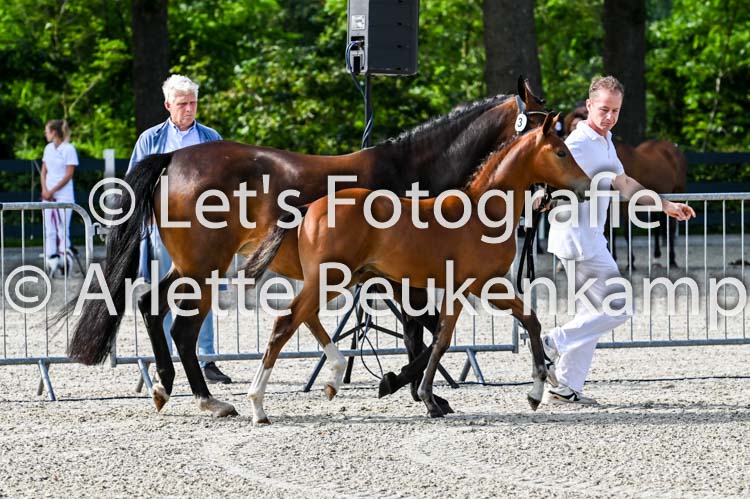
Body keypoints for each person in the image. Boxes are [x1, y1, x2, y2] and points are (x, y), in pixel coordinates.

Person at [542, 76, 695, 404]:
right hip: (579, 239)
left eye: (615, 110)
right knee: (621, 307)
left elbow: (624, 183)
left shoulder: (604, 141)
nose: (610, 116)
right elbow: (549, 173)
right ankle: (551, 343)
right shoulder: (579, 143)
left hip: (588, 237)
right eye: (604, 109)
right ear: (589, 106)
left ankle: (566, 387)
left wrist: (665, 205)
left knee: (591, 314)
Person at [128, 74, 231, 384]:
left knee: (203, 290)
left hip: (204, 230)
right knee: (166, 290)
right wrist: (145, 214)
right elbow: (135, 180)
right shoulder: (151, 139)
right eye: (182, 103)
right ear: (168, 105)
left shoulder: (210, 137)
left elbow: (227, 181)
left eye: (193, 103)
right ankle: (169, 357)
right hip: (165, 227)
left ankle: (207, 358)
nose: (189, 108)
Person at [41, 119, 78, 276]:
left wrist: (53, 190)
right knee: (49, 229)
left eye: (47, 131)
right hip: (48, 196)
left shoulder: (69, 149)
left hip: (64, 195)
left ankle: (65, 260)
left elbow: (69, 174)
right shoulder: (48, 148)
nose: (45, 134)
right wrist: (45, 190)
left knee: (62, 229)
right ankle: (51, 259)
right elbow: (44, 171)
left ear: (54, 132)